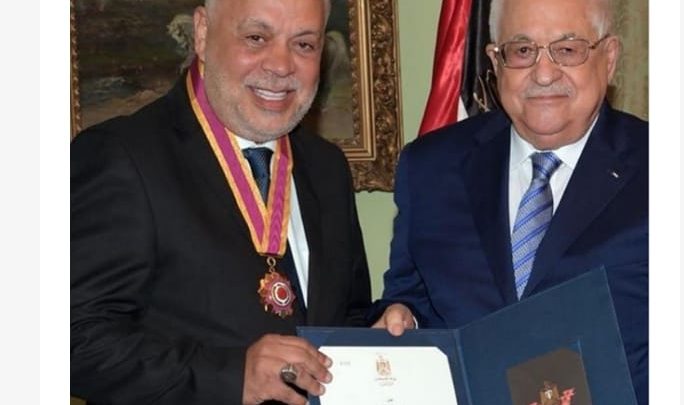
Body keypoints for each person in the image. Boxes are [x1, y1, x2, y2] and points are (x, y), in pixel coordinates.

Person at [70, 0, 371, 404]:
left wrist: (384, 333)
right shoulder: (122, 155)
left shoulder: (327, 167)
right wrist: (230, 376)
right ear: (202, 33)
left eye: (303, 44)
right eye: (256, 37)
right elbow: (73, 339)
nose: (281, 65)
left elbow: (346, 316)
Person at [371, 0, 648, 403]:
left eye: (567, 49)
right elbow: (409, 295)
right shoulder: (430, 168)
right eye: (522, 50)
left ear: (608, 58)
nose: (544, 73)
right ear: (494, 62)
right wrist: (403, 317)